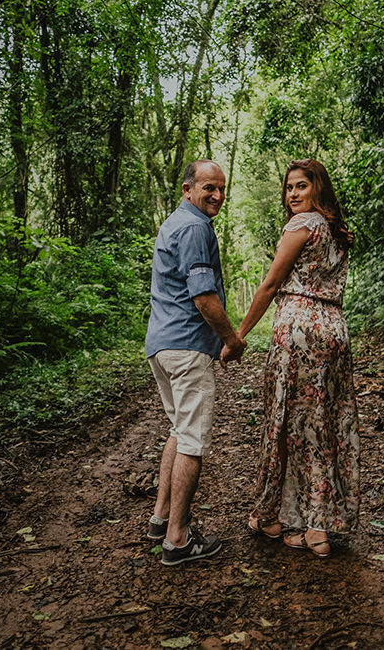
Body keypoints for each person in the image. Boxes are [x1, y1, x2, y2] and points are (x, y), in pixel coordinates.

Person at [223, 158, 360, 559]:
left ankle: (304, 522)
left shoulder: (301, 226)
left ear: (318, 188)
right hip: (334, 328)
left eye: (302, 185)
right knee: (326, 423)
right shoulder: (336, 230)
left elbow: (269, 285)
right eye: (289, 188)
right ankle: (308, 520)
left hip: (300, 329)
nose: (294, 194)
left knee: (292, 424)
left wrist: (239, 335)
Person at [145, 159, 247, 566]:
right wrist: (231, 339)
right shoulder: (194, 228)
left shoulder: (175, 222)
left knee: (179, 429)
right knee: (192, 440)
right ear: (187, 189)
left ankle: (161, 518)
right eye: (209, 187)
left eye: (222, 188)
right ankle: (178, 540)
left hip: (162, 345)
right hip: (187, 348)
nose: (218, 195)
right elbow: (203, 296)